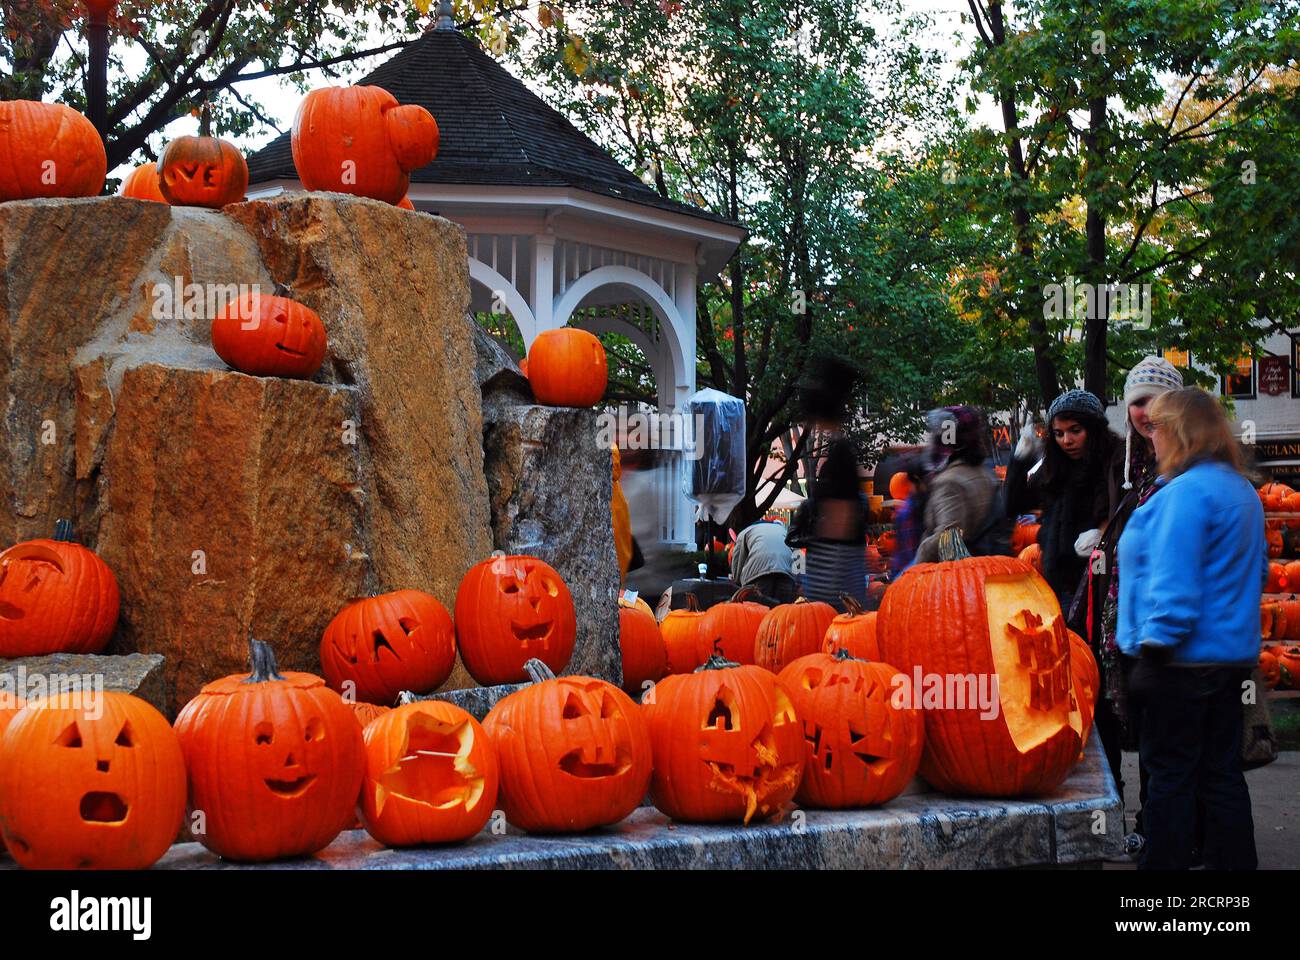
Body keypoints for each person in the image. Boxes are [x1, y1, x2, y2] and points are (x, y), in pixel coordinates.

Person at [1118, 387, 1260, 871]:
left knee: (1170, 778)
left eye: (1157, 427)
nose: (1150, 437)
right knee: (1221, 774)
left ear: (1177, 432)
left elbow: (1174, 585)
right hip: (1231, 659)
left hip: (1179, 661)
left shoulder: (1183, 495)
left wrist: (1154, 651)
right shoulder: (1241, 490)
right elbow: (1255, 575)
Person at [1084, 356, 1184, 856]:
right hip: (1124, 617)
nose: (1144, 413)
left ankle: (1164, 833)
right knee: (1135, 731)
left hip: (1165, 626)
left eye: (1153, 401)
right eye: (1136, 403)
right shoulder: (1126, 464)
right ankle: (1143, 824)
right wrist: (1102, 539)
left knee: (1163, 746)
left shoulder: (1184, 464)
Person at [1005, 389, 1117, 609]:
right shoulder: (1054, 468)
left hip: (1096, 580)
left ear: (1093, 429)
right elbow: (1013, 505)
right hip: (1055, 581)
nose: (1067, 440)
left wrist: (1104, 538)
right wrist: (1019, 462)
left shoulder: (1112, 464)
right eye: (1059, 433)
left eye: (1075, 431)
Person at [796, 356, 867, 611]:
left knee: (833, 632)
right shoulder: (840, 452)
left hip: (834, 574)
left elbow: (840, 521)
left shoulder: (840, 457)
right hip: (837, 570)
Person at [913, 406, 998, 562]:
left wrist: (921, 556)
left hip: (953, 574)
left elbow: (949, 536)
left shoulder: (949, 482)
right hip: (985, 565)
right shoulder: (985, 473)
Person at [730, 519, 799, 603]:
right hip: (786, 574)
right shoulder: (783, 530)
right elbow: (797, 553)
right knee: (782, 609)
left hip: (758, 575)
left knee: (760, 610)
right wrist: (798, 582)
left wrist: (738, 582)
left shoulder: (745, 532)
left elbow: (737, 565)